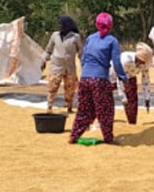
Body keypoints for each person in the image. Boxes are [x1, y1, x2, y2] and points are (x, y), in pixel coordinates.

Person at [69, 12, 127, 145]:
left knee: (84, 109)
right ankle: (108, 137)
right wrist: (123, 76)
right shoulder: (112, 41)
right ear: (110, 25)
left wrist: (86, 72)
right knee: (105, 109)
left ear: (97, 24)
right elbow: (116, 62)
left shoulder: (90, 38)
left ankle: (74, 135)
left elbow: (83, 58)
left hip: (85, 79)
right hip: (100, 80)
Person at [40, 14, 83, 113]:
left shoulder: (75, 37)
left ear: (67, 25)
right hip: (56, 66)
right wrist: (43, 60)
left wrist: (83, 63)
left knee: (70, 87)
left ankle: (69, 107)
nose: (59, 26)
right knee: (53, 86)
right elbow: (48, 50)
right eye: (58, 24)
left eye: (61, 24)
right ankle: (49, 106)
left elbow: (81, 52)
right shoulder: (55, 36)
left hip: (70, 67)